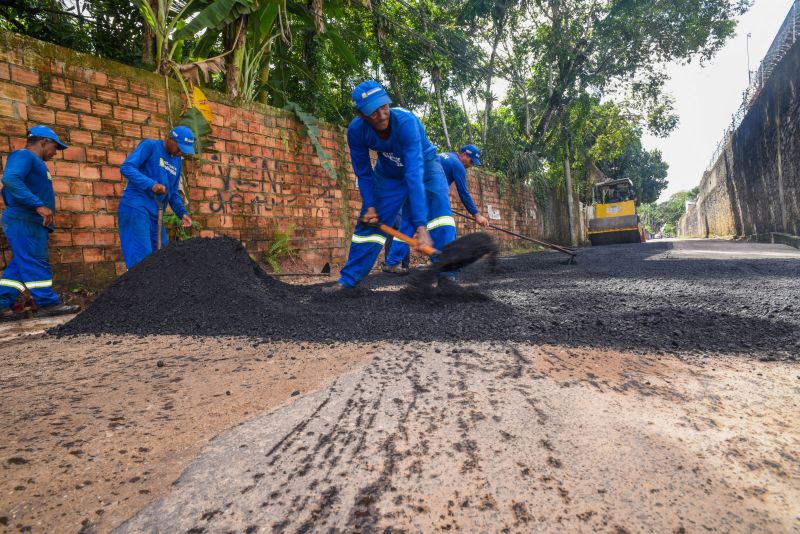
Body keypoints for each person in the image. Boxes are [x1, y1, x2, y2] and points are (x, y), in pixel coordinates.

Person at [324, 80, 456, 292]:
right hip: (388, 173)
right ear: (361, 114)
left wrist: (421, 227)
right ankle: (347, 281)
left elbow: (414, 173)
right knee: (368, 223)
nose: (382, 115)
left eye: (384, 107)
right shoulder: (356, 131)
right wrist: (370, 205)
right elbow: (364, 173)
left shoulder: (406, 122)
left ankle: (447, 278)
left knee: (439, 215)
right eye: (373, 112)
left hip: (425, 167)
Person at [0, 126, 79, 320]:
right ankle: (48, 304)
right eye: (55, 147)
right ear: (43, 142)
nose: (55, 153)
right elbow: (10, 179)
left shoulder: (34, 161)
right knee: (36, 261)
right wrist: (38, 205)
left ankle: (1, 303)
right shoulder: (24, 155)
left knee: (20, 265)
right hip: (25, 219)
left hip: (29, 220)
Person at [383, 144, 490, 273]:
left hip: (412, 188)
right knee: (443, 223)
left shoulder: (444, 157)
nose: (470, 165)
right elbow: (463, 193)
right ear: (464, 154)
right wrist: (477, 215)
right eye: (471, 161)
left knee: (407, 225)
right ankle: (446, 269)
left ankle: (391, 262)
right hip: (431, 189)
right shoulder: (457, 164)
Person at [118, 126, 194, 269]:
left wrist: (182, 213)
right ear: (170, 139)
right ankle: (139, 290)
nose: (180, 152)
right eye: (179, 148)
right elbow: (126, 168)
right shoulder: (150, 146)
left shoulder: (177, 161)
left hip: (156, 214)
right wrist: (151, 185)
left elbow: (172, 192)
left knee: (161, 255)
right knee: (141, 259)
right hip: (136, 208)